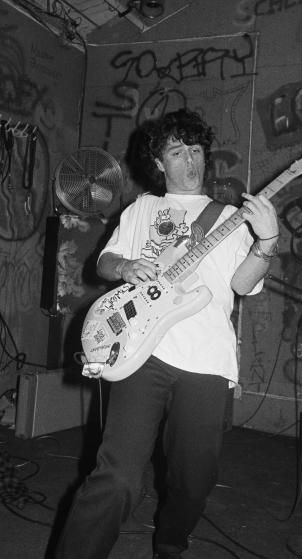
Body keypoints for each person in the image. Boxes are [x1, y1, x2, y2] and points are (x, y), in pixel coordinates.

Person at [54, 108, 279, 559]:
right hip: (142, 352)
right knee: (115, 476)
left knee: (194, 478)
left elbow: (243, 285)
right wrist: (126, 265)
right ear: (159, 163)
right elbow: (103, 263)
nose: (190, 161)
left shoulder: (229, 217)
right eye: (177, 152)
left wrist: (266, 242)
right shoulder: (143, 208)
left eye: (195, 150)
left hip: (207, 361)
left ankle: (171, 542)